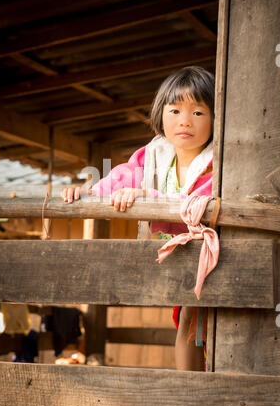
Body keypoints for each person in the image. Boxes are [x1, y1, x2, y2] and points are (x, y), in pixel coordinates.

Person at [61, 66, 214, 371]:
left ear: (216, 120)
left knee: (199, 323)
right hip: (176, 256)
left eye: (198, 112)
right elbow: (123, 176)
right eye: (175, 110)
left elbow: (201, 203)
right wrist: (88, 192)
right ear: (161, 115)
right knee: (188, 325)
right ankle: (191, 394)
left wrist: (146, 198)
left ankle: (201, 395)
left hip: (209, 259)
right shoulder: (154, 153)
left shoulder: (219, 160)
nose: (185, 120)